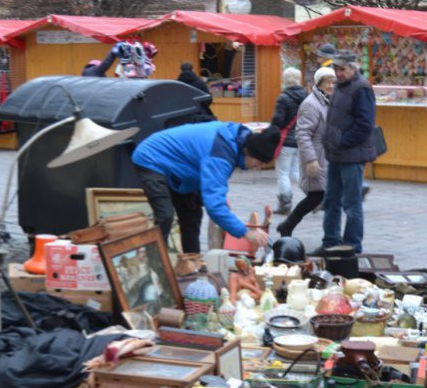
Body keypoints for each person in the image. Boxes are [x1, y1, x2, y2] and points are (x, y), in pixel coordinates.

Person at [131, 121, 276, 255]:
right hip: (152, 158)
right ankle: (154, 264)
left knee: (192, 215)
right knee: (165, 216)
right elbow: (214, 207)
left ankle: (192, 265)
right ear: (247, 151)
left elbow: (215, 186)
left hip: (180, 167)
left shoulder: (235, 141)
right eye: (258, 162)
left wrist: (220, 202)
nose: (258, 168)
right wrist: (245, 232)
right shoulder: (221, 154)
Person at [320, 50, 376, 254]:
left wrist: (343, 142)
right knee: (331, 201)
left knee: (352, 204)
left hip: (351, 155)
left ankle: (352, 245)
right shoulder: (340, 87)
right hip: (336, 154)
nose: (338, 73)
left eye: (342, 69)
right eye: (336, 69)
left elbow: (364, 124)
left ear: (354, 67)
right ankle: (331, 242)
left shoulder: (361, 88)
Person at [277, 67, 335, 238]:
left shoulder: (326, 100)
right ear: (319, 83)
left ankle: (288, 225)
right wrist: (311, 159)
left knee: (318, 196)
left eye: (333, 82)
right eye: (327, 82)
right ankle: (288, 225)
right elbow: (302, 133)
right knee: (316, 196)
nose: (331, 85)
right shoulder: (311, 104)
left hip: (325, 154)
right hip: (316, 156)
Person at [271, 67, 308, 214]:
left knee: (282, 173)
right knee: (296, 171)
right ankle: (316, 195)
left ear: (285, 80)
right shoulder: (306, 97)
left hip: (285, 140)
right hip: (301, 138)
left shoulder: (283, 98)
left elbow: (278, 120)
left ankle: (285, 204)